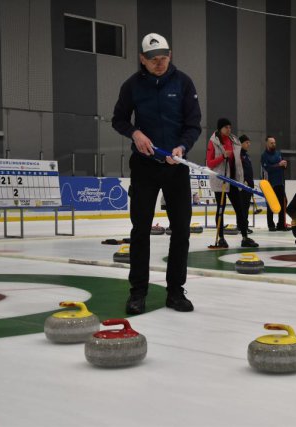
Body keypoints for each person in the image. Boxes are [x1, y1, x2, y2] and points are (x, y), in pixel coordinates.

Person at [112, 33, 201, 314]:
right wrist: (135, 132)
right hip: (144, 168)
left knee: (181, 231)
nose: (159, 64)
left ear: (170, 55)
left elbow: (194, 124)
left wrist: (182, 147)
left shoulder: (184, 83)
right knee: (140, 231)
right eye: (153, 60)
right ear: (142, 59)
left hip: (176, 167)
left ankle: (175, 292)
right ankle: (138, 293)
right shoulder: (132, 86)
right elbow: (119, 119)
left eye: (163, 58)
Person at [206, 119, 258, 249]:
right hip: (221, 181)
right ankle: (221, 238)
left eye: (230, 127)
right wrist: (222, 157)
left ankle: (245, 237)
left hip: (233, 180)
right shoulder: (213, 142)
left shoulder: (234, 140)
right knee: (220, 209)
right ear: (219, 129)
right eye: (226, 127)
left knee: (240, 210)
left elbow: (238, 158)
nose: (229, 129)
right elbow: (209, 163)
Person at [261, 136, 288, 231]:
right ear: (267, 143)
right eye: (271, 143)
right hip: (270, 184)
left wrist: (284, 164)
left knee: (283, 203)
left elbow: (283, 165)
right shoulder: (264, 156)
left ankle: (281, 224)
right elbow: (267, 168)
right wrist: (278, 165)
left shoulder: (278, 153)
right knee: (271, 204)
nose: (273, 144)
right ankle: (271, 225)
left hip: (280, 182)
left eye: (274, 143)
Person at [239, 135, 255, 234]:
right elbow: (239, 170)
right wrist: (243, 180)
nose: (249, 144)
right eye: (246, 142)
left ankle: (245, 225)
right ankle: (241, 226)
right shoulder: (239, 155)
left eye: (249, 142)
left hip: (249, 186)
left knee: (246, 207)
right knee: (242, 207)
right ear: (241, 143)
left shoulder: (247, 156)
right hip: (242, 185)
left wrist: (251, 184)